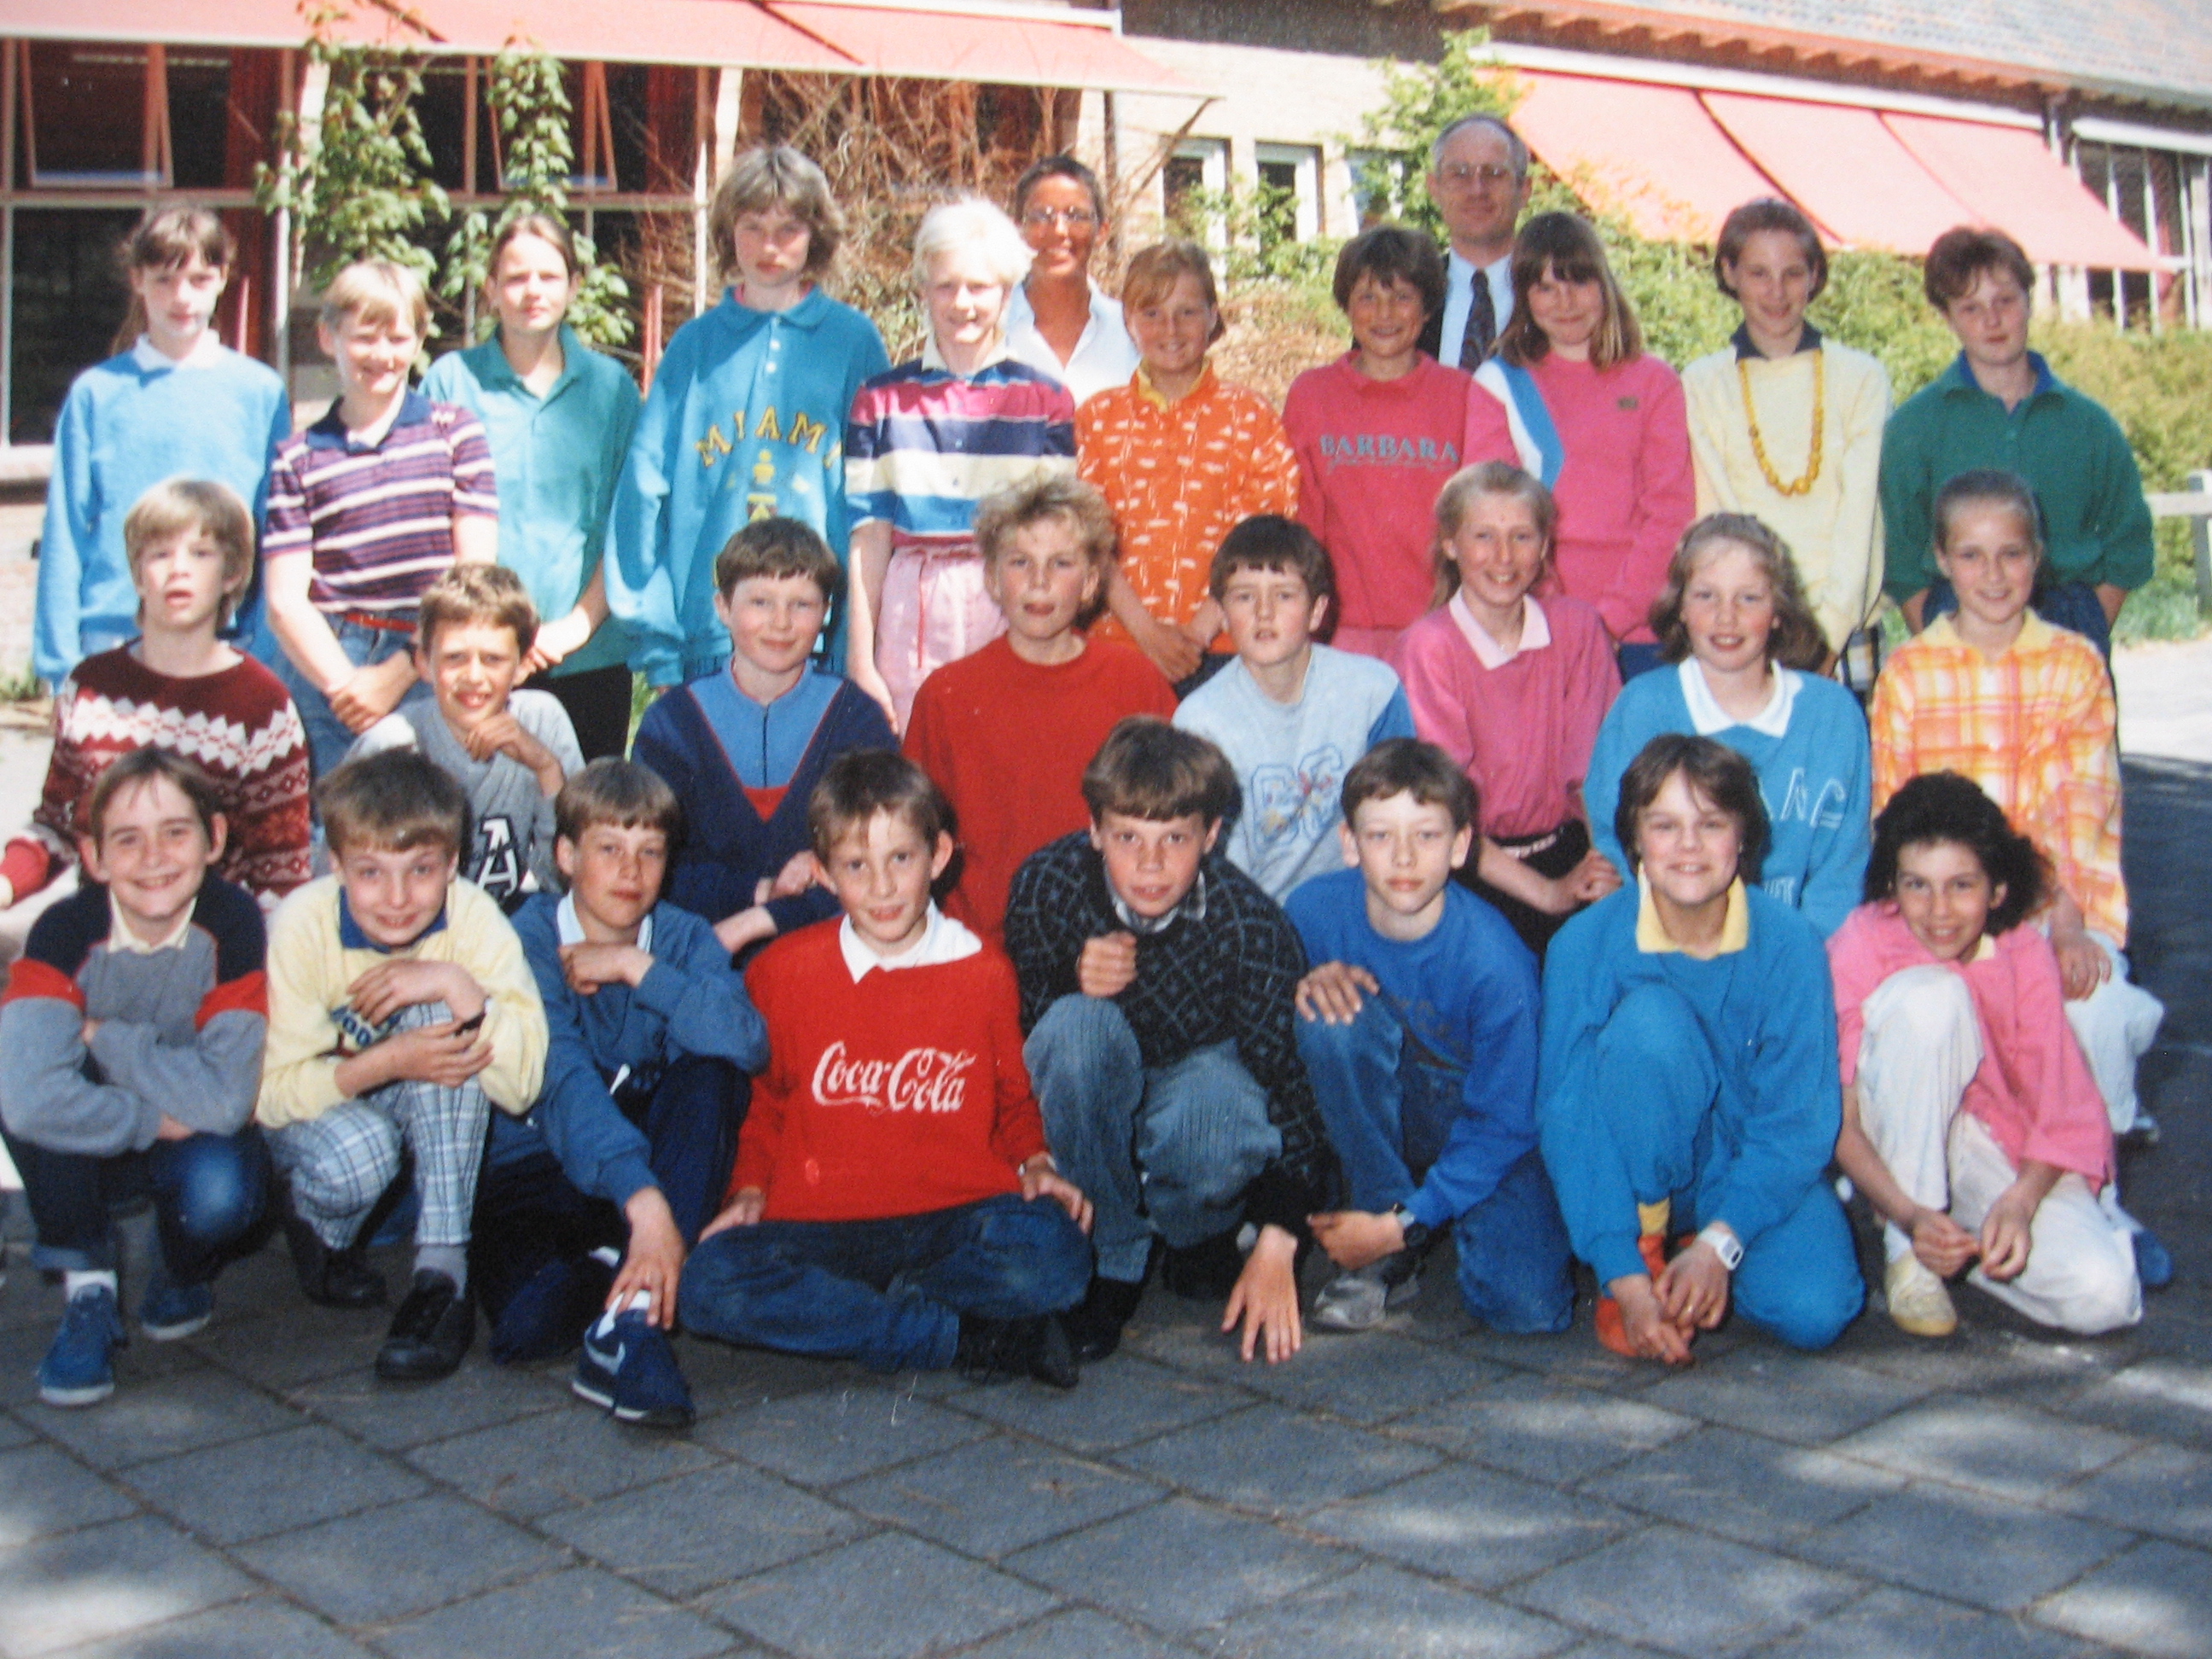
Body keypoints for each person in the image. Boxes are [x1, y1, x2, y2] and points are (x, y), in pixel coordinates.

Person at [678, 750, 1094, 1387]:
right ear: (823, 874)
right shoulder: (783, 972)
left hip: (953, 1217)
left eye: (900, 859)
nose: (881, 887)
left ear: (939, 855)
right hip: (820, 1225)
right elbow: (768, 1104)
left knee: (1059, 1254)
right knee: (709, 1284)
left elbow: (1013, 1097)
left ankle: (879, 1315)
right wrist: (749, 1190)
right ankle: (959, 1334)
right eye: (855, 866)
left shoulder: (983, 970)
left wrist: (1037, 1164)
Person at [1867, 470, 2170, 1283]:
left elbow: (2084, 809)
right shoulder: (1910, 674)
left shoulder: (2074, 667)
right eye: (1971, 555)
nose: (1993, 576)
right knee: (1925, 1013)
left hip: (2050, 909)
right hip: (1942, 914)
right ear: (1940, 560)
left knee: (2096, 1004)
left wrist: (2068, 924)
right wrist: (1947, 925)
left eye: (2012, 554)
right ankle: (1921, 1214)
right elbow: (1898, 824)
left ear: (2040, 558)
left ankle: (2092, 1197)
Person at [1005, 718, 1336, 1366]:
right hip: (1094, 1103)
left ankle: (1199, 1233)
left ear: (1211, 836)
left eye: (1175, 839)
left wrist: (1280, 1238)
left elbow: (1295, 1096)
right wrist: (1069, 979)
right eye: (1128, 837)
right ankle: (1111, 1256)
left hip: (1189, 1097)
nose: (1150, 864)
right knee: (1076, 1029)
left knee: (1222, 1105)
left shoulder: (1251, 928)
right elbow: (1013, 1034)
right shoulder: (1047, 885)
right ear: (1094, 830)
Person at [1540, 735, 1863, 1364]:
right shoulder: (1583, 945)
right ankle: (1647, 1253)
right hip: (1633, 1170)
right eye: (1664, 825)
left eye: (1710, 824)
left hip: (1739, 1166)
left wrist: (1722, 1245)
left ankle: (1697, 1251)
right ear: (1634, 840)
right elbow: (1569, 1116)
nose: (1688, 846)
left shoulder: (1791, 944)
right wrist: (1625, 1279)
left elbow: (1798, 1122)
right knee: (1650, 1026)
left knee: (1818, 1309)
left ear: (1743, 837)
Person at [492, 760, 768, 1428]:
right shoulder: (525, 939)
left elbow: (746, 1041)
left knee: (710, 1069)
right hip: (541, 1168)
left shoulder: (680, 937)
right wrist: (648, 1213)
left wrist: (633, 967)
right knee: (523, 1329)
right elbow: (562, 1084)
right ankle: (633, 1261)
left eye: (650, 853)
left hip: (645, 1160)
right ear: (565, 855)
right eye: (608, 849)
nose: (630, 871)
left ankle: (634, 1323)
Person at [258, 750, 547, 1382]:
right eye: (369, 873)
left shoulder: (472, 916)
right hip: (325, 1111)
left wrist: (453, 983)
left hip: (420, 1102)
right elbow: (271, 1097)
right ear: (335, 866)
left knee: (447, 1021)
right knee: (359, 1154)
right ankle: (317, 1227)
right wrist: (387, 1059)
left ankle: (442, 1278)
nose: (395, 899)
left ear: (453, 865)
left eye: (420, 870)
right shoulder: (301, 923)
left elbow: (522, 1084)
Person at [0, 750, 271, 1407]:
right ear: (94, 857)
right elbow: (30, 1102)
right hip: (119, 1124)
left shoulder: (231, 923)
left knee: (223, 1190)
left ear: (215, 839)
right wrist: (149, 1117)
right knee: (38, 1079)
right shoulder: (65, 931)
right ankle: (87, 1284)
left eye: (175, 832)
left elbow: (228, 1097)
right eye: (128, 839)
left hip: (189, 1132)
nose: (154, 857)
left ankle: (181, 1265)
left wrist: (105, 1037)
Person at [1830, 772, 2141, 1339]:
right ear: (1892, 886)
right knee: (1935, 998)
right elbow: (1842, 1122)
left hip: (1996, 1146)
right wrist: (1908, 1213)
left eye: (1961, 885)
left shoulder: (2022, 950)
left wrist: (2020, 1202)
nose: (1938, 910)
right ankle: (1911, 1250)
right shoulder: (1862, 940)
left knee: (2105, 1296)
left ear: (1997, 890)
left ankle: (1962, 1249)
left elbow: (2062, 1106)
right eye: (1917, 885)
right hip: (1896, 1136)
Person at [1288, 740, 1575, 1334]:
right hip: (1389, 1111)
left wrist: (1408, 1217)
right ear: (1348, 844)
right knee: (1329, 1016)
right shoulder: (1311, 911)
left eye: (1426, 835)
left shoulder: (1496, 964)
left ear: (1461, 845)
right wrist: (1300, 983)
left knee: (1528, 1311)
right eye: (1380, 835)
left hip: (1480, 1128)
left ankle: (1408, 1224)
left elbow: (1507, 1120)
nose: (1403, 858)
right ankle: (1386, 1235)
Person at [607, 147, 889, 685]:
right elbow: (644, 490)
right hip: (710, 633)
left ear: (816, 235)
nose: (769, 246)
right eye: (753, 226)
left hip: (818, 636)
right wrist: (656, 633)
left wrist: (859, 638)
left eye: (788, 229)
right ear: (728, 232)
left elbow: (874, 505)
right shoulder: (695, 347)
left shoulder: (853, 342)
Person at [2, 480, 311, 957]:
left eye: (201, 554)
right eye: (160, 554)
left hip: (212, 949)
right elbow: (59, 826)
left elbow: (281, 878)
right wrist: (6, 883)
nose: (178, 572)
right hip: (102, 940)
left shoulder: (261, 706)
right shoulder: (90, 686)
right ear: (138, 574)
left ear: (231, 573)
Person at [904, 476, 1175, 944]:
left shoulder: (1136, 682)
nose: (1039, 581)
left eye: (1061, 563)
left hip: (1111, 944)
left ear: (1091, 582)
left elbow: (1175, 821)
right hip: (979, 944)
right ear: (991, 577)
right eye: (1020, 562)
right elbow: (912, 832)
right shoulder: (947, 694)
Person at [845, 198, 1080, 729]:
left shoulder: (1045, 400)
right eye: (946, 285)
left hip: (1009, 596)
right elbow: (870, 538)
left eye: (979, 287)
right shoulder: (881, 400)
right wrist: (862, 660)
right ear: (923, 288)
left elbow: (1060, 538)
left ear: (1007, 291)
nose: (962, 303)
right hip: (912, 604)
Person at [262, 260, 499, 782]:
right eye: (365, 338)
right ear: (328, 337)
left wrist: (402, 670)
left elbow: (474, 576)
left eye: (398, 338)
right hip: (331, 660)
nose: (382, 355)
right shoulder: (297, 456)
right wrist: (346, 686)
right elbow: (284, 601)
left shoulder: (455, 434)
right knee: (340, 823)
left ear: (418, 342)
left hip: (435, 654)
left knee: (436, 814)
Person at [36, 207, 289, 690]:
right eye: (164, 280)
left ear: (222, 279)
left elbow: (273, 527)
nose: (182, 297)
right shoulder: (97, 393)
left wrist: (261, 648)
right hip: (112, 639)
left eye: (199, 279)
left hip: (226, 639)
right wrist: (58, 664)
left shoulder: (260, 392)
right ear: (137, 279)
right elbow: (65, 530)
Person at [1585, 515, 1871, 939]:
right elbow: (1616, 845)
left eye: (1749, 599)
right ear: (1680, 606)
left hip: (1797, 954)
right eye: (1706, 596)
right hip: (1671, 943)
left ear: (1778, 611)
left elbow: (1841, 873)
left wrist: (1798, 962)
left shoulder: (1832, 715)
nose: (1726, 618)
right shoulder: (1644, 707)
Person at [422, 214, 643, 760]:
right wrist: (488, 634)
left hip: (585, 656)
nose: (532, 292)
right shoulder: (452, 382)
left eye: (549, 277)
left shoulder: (611, 389)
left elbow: (630, 522)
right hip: (479, 661)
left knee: (585, 825)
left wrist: (575, 627)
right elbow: (429, 521)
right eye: (516, 278)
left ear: (573, 287)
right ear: (492, 290)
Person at [1880, 228, 2152, 658]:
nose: (1992, 320)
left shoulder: (2089, 425)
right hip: (1957, 618)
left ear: (2029, 301)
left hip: (2068, 614)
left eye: (2005, 301)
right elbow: (1899, 551)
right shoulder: (1915, 428)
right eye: (1971, 308)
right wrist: (1937, 638)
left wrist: (2090, 625)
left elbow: (2130, 540)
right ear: (1948, 319)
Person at [631, 518, 894, 959]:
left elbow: (884, 857)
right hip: (701, 953)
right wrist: (759, 890)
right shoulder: (672, 723)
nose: (781, 623)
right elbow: (651, 865)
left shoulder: (856, 719)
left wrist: (794, 894)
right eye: (759, 602)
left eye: (802, 605)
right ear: (722, 607)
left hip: (833, 952)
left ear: (828, 612)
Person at [1391, 463, 1620, 954]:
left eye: (1521, 537)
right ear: (1451, 545)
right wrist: (1548, 894)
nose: (1503, 557)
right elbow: (1443, 811)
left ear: (1543, 547)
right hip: (1469, 864)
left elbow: (1597, 779)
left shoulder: (1578, 629)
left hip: (1569, 850)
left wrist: (1600, 868)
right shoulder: (1428, 648)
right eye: (1483, 537)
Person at [1462, 212, 1695, 680]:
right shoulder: (1500, 384)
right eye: (1545, 287)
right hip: (1537, 626)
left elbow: (1670, 514)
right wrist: (1560, 624)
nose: (1564, 302)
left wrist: (1608, 621)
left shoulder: (1655, 382)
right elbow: (1494, 519)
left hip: (1641, 634)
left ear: (1604, 285)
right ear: (1524, 297)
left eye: (1578, 282)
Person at [1077, 240, 1300, 689]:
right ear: (1128, 321)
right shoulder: (1097, 418)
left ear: (1213, 316)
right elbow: (1089, 538)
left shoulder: (1250, 416)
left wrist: (1199, 633)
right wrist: (1145, 632)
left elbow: (1262, 536)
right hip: (1119, 643)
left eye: (1188, 312)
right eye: (1152, 313)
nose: (1170, 329)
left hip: (1224, 647)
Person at [1681, 200, 1891, 678]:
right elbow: (1719, 515)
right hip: (1748, 623)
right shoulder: (1702, 383)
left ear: (1815, 276)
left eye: (1792, 273)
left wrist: (1830, 636)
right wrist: (1758, 617)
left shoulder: (1860, 377)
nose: (1776, 292)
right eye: (1758, 273)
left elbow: (1861, 516)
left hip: (1845, 624)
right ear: (1730, 273)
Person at [1173, 516, 1415, 902]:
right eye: (1244, 597)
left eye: (1284, 595)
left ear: (1317, 611)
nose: (1263, 613)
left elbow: (1404, 817)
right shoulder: (1199, 722)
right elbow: (1205, 864)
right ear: (1220, 613)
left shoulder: (1373, 691)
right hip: (1253, 912)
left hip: (1357, 899)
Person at [1281, 227, 1470, 660]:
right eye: (1367, 297)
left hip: (1441, 629)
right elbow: (1300, 517)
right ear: (1346, 306)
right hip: (1339, 633)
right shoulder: (1312, 395)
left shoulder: (1462, 394)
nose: (1385, 313)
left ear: (1427, 309)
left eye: (1402, 297)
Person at [347, 565, 585, 906]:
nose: (474, 677)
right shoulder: (392, 746)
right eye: (455, 658)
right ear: (424, 663)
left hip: (505, 923)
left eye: (493, 659)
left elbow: (567, 882)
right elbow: (345, 885)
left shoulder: (542, 722)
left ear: (522, 666)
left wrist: (547, 769)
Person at [1004, 155, 1140, 406]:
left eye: (1075, 216)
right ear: (1018, 230)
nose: (1059, 230)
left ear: (1102, 231)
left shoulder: (1132, 331)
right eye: (1041, 216)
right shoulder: (989, 331)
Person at [1414, 114, 1532, 370]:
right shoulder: (1404, 298)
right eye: (1460, 174)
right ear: (1434, 187)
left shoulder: (1558, 298)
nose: (1477, 189)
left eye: (1495, 173)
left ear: (1524, 190)